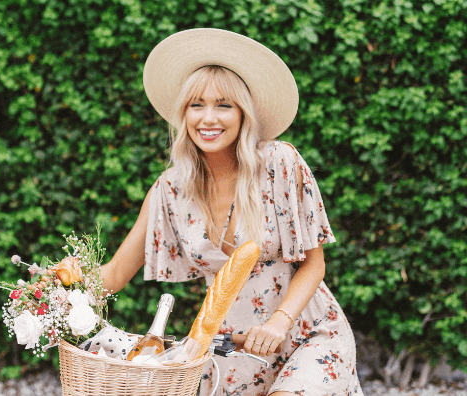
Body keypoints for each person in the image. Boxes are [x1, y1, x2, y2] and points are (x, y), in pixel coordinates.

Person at [98, 29, 362, 395]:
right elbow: (113, 273)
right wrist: (54, 292)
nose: (209, 118)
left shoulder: (279, 163)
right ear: (183, 113)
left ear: (242, 113)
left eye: (223, 105)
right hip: (230, 348)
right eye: (196, 105)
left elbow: (314, 263)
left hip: (305, 331)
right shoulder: (170, 189)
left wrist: (278, 324)